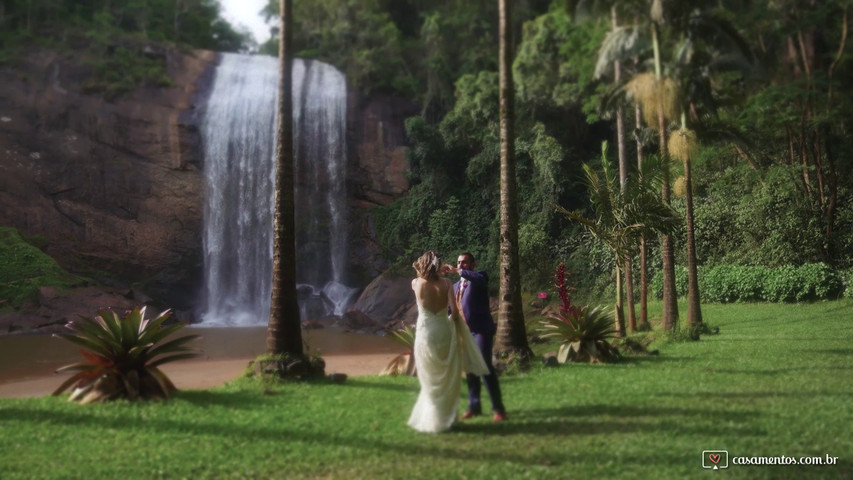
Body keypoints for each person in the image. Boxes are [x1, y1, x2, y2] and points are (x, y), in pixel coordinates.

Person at [407, 250, 489, 433]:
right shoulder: (446, 283)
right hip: (443, 330)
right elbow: (455, 311)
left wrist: (431, 270)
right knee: (444, 375)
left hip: (426, 332)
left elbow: (420, 275)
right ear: (438, 265)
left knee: (429, 376)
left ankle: (432, 419)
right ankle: (446, 418)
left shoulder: (416, 283)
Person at [443, 252, 507, 422]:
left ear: (472, 264)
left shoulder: (480, 277)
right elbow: (452, 309)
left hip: (480, 331)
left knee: (484, 367)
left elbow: (477, 279)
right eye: (458, 262)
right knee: (470, 369)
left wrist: (457, 270)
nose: (461, 264)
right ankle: (474, 406)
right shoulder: (456, 286)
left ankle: (498, 409)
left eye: (464, 262)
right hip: (463, 332)